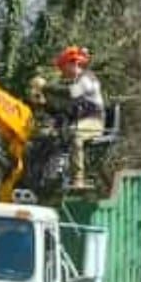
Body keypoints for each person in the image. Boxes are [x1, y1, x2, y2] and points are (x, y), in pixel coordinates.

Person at [28, 46, 105, 189]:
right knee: (51, 136)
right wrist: (44, 105)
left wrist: (46, 87)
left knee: (76, 134)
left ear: (73, 63)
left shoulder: (88, 78)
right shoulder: (75, 81)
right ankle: (49, 177)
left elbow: (71, 93)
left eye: (63, 67)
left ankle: (78, 180)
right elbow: (64, 110)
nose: (62, 72)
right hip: (79, 121)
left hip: (94, 121)